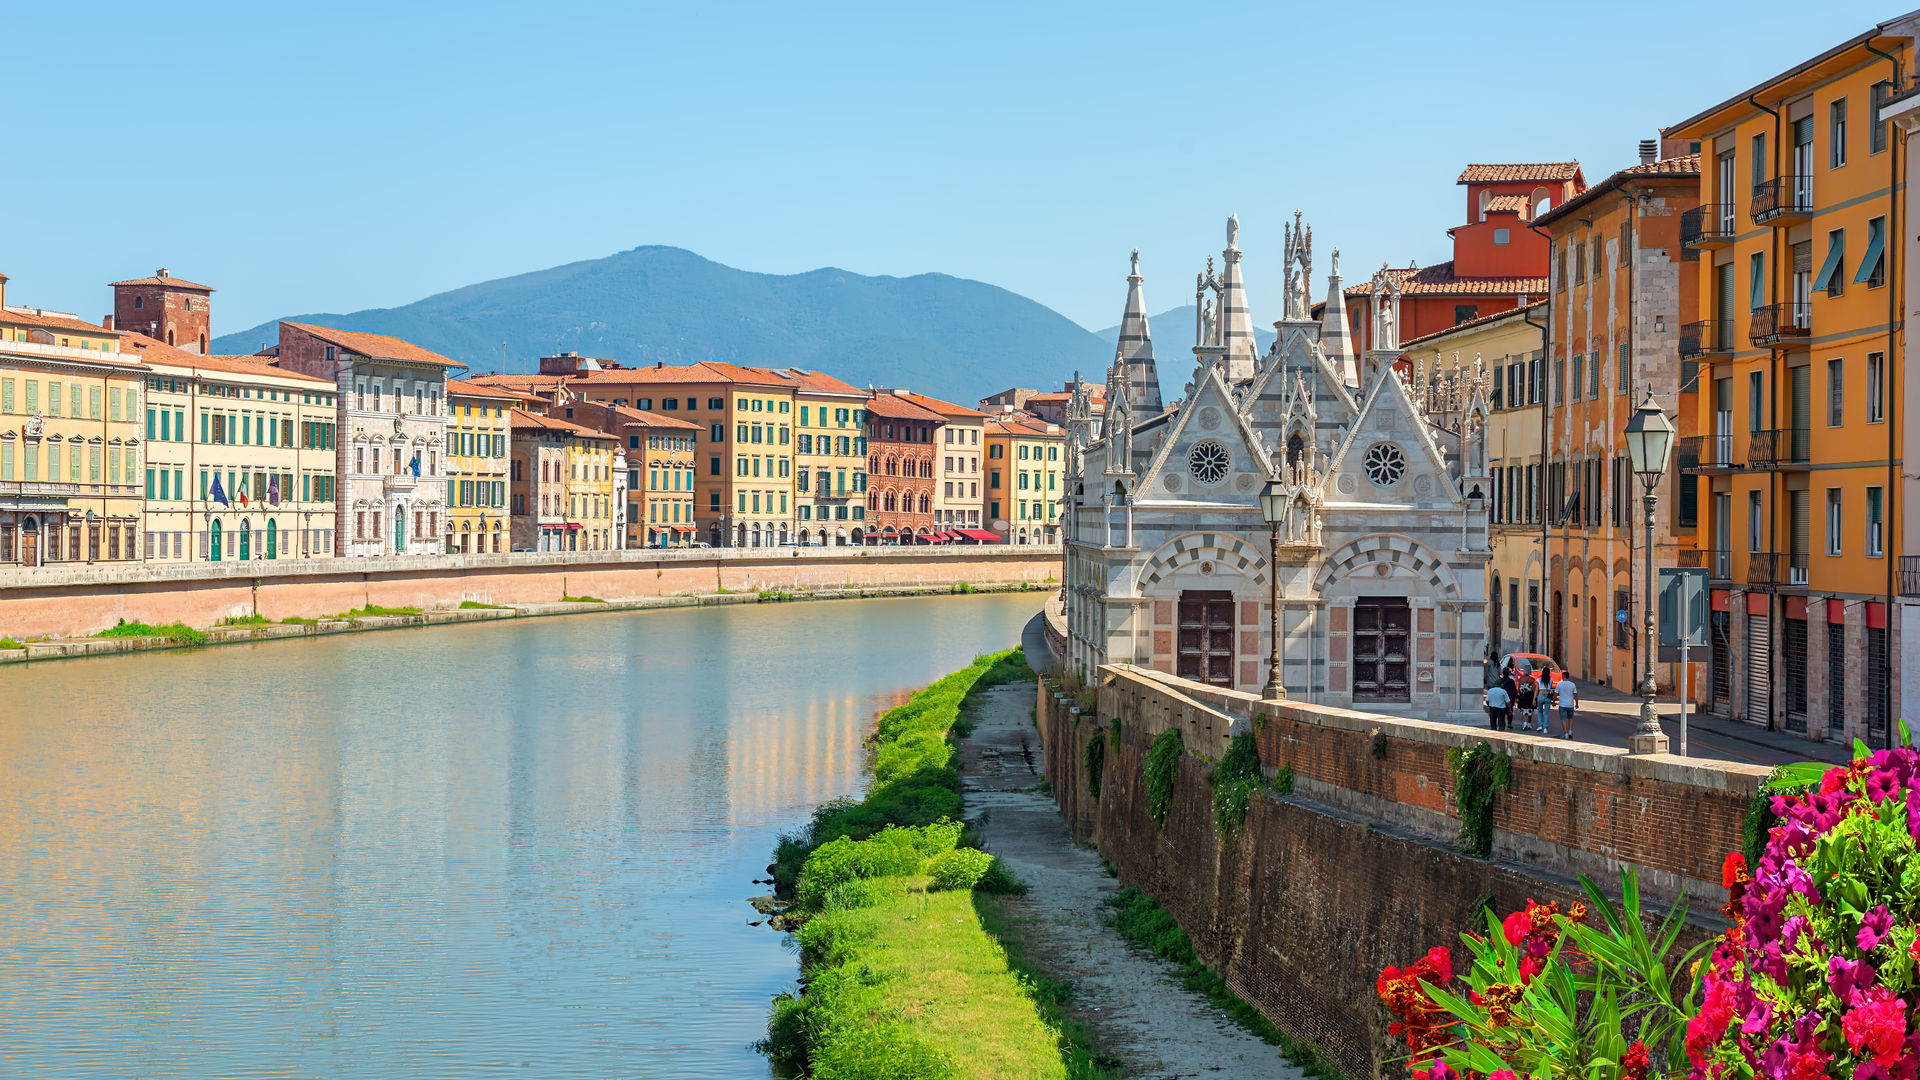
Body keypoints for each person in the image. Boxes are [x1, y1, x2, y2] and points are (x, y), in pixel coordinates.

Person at [1555, 671, 1578, 739]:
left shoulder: (1559, 684)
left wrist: (1553, 701)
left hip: (1562, 704)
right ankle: (1570, 731)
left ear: (1563, 677)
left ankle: (1566, 733)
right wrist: (1576, 704)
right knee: (1570, 718)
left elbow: (1555, 694)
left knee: (1563, 719)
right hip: (1570, 704)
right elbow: (1576, 695)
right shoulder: (1572, 684)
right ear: (1568, 677)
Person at [1497, 665, 1519, 733]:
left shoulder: (1500, 681)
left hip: (1502, 698)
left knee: (1502, 711)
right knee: (1510, 711)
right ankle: (1509, 723)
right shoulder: (1511, 681)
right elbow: (1514, 690)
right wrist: (1516, 697)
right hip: (1510, 698)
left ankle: (1502, 723)